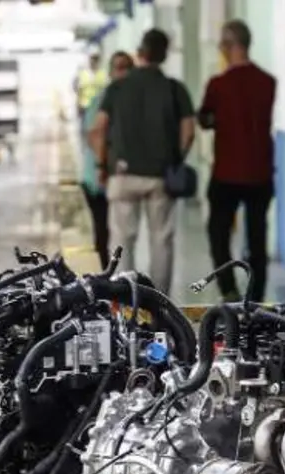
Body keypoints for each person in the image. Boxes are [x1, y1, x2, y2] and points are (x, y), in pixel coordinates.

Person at [88, 29, 195, 294]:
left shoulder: (117, 87)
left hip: (122, 175)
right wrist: (177, 159)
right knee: (162, 240)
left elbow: (97, 129)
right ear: (164, 55)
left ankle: (126, 299)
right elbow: (189, 131)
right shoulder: (174, 89)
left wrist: (102, 164)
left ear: (140, 53)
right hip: (160, 177)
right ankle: (159, 301)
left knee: (122, 241)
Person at [198, 19, 277, 303]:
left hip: (227, 173)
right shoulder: (268, 82)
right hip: (260, 174)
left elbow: (204, 118)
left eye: (222, 44)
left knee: (218, 234)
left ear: (230, 46)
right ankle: (255, 297)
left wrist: (216, 119)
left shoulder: (218, 84)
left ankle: (229, 291)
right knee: (257, 238)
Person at [79, 51, 134, 267]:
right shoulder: (103, 99)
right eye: (119, 68)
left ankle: (111, 273)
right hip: (98, 178)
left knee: (117, 232)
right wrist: (102, 167)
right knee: (105, 231)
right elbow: (94, 135)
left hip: (112, 174)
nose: (124, 73)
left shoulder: (125, 98)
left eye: (127, 68)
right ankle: (107, 275)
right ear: (110, 72)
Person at [74, 50, 108, 123]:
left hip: (98, 106)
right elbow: (79, 91)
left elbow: (105, 91)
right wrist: (78, 105)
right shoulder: (83, 74)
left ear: (98, 61)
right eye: (92, 59)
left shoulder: (103, 74)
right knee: (85, 126)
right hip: (85, 105)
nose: (93, 62)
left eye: (95, 59)